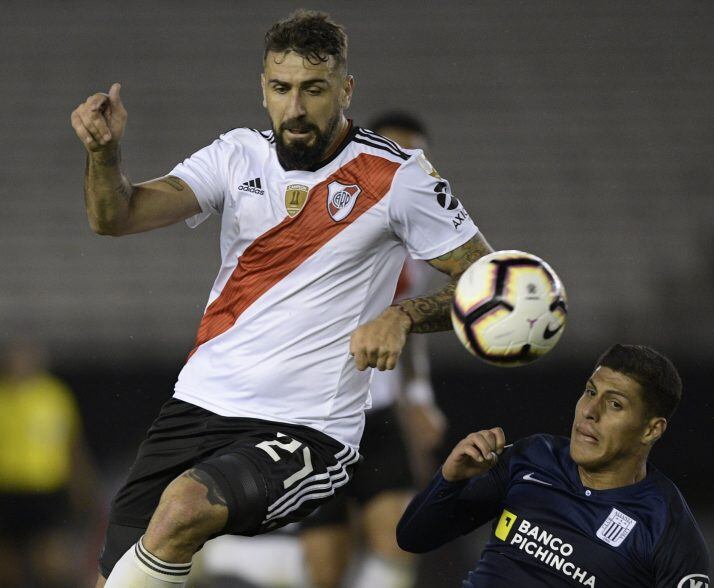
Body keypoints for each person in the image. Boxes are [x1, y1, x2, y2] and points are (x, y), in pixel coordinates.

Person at [70, 10, 492, 588]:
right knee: (116, 572)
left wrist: (402, 315)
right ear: (263, 89)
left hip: (308, 426)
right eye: (281, 88)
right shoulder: (236, 154)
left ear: (345, 90)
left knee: (185, 508)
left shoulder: (398, 177)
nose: (295, 108)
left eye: (313, 90)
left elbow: (488, 284)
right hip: (197, 404)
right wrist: (104, 154)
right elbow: (115, 217)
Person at [397, 344, 710, 587]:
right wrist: (449, 480)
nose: (590, 410)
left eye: (614, 404)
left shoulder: (667, 529)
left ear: (651, 429)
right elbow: (413, 538)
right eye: (590, 392)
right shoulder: (533, 457)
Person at [299, 111, 446, 588]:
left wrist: (419, 397)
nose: (409, 163)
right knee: (326, 569)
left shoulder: (417, 243)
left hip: (376, 415)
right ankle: (232, 562)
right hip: (315, 419)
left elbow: (409, 321)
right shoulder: (323, 219)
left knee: (397, 544)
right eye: (399, 151)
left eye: (417, 155)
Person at [0, 339, 101, 588]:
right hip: (7, 489)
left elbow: (72, 445)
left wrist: (83, 486)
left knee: (52, 559)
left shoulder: (54, 396)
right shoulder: (3, 397)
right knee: (8, 565)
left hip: (46, 488)